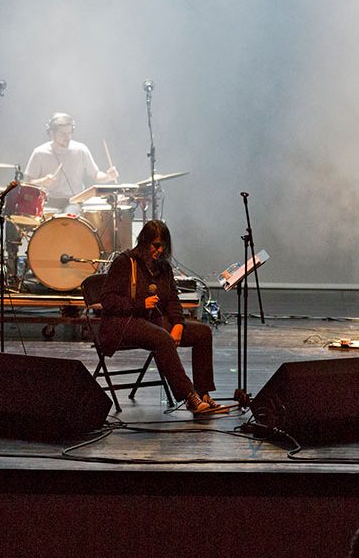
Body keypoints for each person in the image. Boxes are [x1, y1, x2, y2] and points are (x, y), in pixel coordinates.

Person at [99, 220, 219, 414]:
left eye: (164, 246)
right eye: (156, 245)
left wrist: (178, 324)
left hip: (153, 321)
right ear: (145, 242)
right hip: (123, 323)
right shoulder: (125, 262)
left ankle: (203, 393)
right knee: (162, 338)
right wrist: (139, 304)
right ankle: (189, 397)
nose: (160, 250)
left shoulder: (163, 268)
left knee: (202, 333)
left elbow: (172, 299)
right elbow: (107, 300)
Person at [23, 112, 119, 214]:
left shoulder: (81, 150)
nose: (67, 137)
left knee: (70, 215)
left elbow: (96, 175)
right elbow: (27, 183)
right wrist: (43, 181)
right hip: (47, 201)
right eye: (63, 134)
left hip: (74, 201)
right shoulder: (40, 152)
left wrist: (109, 176)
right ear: (51, 134)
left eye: (69, 133)